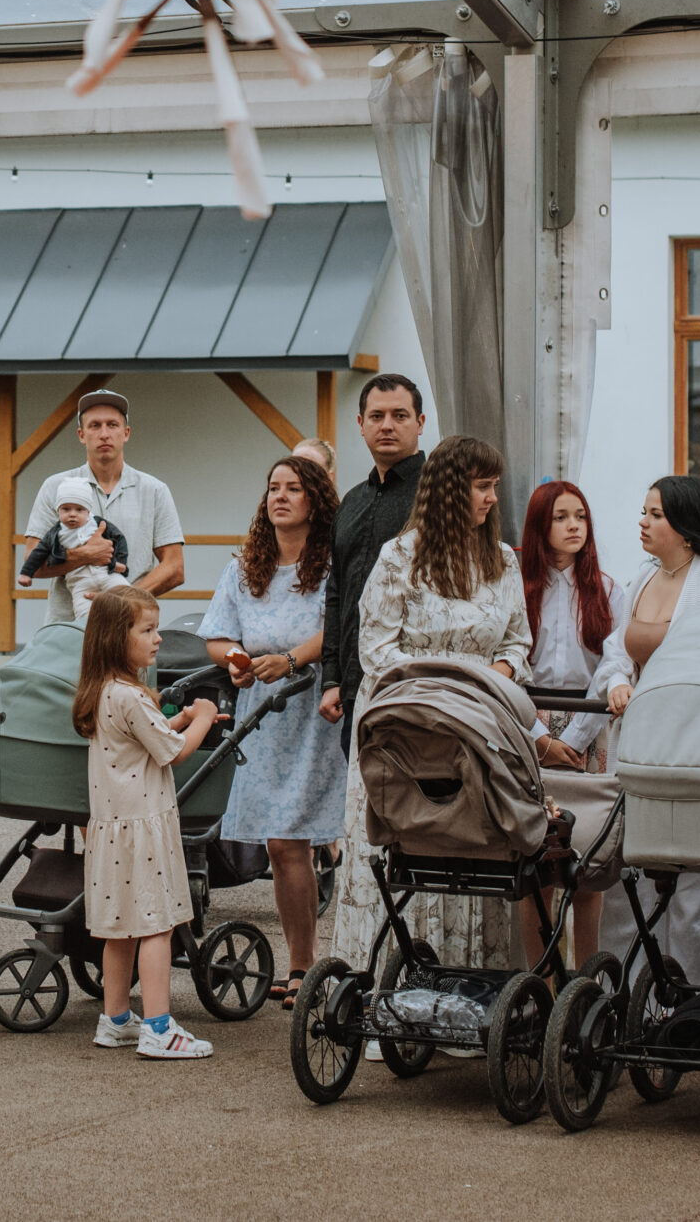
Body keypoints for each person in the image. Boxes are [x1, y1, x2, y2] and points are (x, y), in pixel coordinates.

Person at [332, 436, 530, 991]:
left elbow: (517, 641)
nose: (492, 498)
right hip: (407, 726)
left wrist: (492, 680)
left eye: (494, 486)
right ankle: (387, 990)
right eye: (483, 487)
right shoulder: (399, 557)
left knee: (473, 850)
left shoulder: (502, 560)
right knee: (407, 850)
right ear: (449, 490)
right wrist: (438, 694)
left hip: (478, 724)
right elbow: (375, 649)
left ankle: (470, 994)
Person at [587, 475, 700, 988]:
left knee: (694, 885)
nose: (643, 522)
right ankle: (623, 998)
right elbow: (617, 649)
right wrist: (618, 682)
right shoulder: (642, 577)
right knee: (629, 876)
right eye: (644, 511)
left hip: (691, 748)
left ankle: (698, 1002)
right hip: (636, 746)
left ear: (684, 525)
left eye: (655, 514)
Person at [209, 455, 343, 1006]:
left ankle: (304, 964)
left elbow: (340, 627)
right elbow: (217, 635)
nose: (280, 496)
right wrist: (237, 660)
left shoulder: (334, 564)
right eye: (273, 488)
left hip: (317, 707)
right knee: (281, 845)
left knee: (294, 837)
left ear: (316, 500)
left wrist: (290, 660)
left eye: (293, 488)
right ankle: (301, 961)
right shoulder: (245, 567)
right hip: (263, 713)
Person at [79, 585, 221, 1059]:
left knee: (120, 929)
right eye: (148, 630)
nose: (158, 638)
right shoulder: (133, 697)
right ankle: (160, 1028)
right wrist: (202, 716)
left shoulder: (104, 692)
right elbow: (174, 752)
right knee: (157, 926)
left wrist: (178, 718)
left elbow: (148, 738)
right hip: (143, 830)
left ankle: (116, 1018)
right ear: (116, 639)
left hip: (113, 829)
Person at [513, 479, 631, 965]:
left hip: (591, 721)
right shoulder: (517, 589)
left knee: (587, 860)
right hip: (526, 720)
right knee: (535, 864)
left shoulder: (608, 589)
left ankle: (585, 981)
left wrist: (577, 737)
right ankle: (541, 980)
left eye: (580, 516)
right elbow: (511, 665)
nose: (573, 526)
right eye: (561, 517)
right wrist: (540, 737)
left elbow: (614, 661)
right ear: (540, 525)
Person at [321, 372, 429, 733]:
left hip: (417, 686)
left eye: (400, 416)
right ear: (361, 424)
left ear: (420, 423)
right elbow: (337, 593)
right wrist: (332, 678)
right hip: (354, 687)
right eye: (376, 416)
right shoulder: (351, 502)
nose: (387, 426)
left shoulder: (439, 497)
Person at [22, 391, 183, 624]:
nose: (104, 434)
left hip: (130, 626)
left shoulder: (154, 490)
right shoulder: (55, 487)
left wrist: (122, 600)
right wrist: (83, 555)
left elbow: (174, 567)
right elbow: (32, 562)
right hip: (69, 626)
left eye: (112, 425)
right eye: (95, 425)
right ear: (81, 435)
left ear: (126, 433)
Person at [14, 478, 128, 623]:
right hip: (79, 580)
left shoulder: (97, 523)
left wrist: (120, 561)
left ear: (88, 511)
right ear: (58, 511)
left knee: (127, 598)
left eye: (79, 509)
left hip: (107, 573)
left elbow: (119, 538)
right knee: (84, 615)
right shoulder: (56, 533)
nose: (72, 514)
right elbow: (38, 552)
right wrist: (26, 573)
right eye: (66, 509)